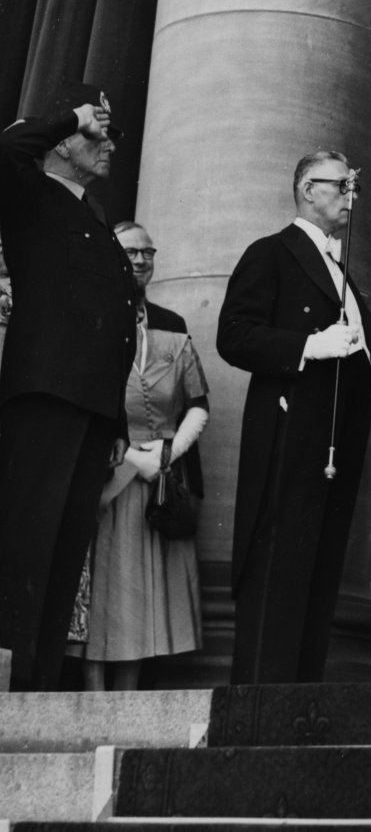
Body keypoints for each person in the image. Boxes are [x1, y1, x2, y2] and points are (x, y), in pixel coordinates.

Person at [217, 150, 371, 684]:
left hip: (331, 445)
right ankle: (262, 708)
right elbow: (233, 336)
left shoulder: (340, 269)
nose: (352, 196)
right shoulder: (272, 253)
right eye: (341, 185)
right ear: (309, 189)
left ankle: (298, 706)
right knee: (279, 570)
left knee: (316, 573)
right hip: (291, 439)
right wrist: (309, 345)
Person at [0, 84, 139, 690]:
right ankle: (9, 678)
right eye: (96, 132)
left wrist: (117, 421)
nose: (108, 143)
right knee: (27, 544)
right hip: (46, 398)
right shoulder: (29, 194)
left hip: (91, 408)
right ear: (61, 142)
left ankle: (37, 687)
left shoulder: (94, 216)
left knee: (62, 558)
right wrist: (67, 116)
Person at [81, 221, 209, 689]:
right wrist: (128, 457)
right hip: (106, 475)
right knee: (101, 588)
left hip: (157, 479)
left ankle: (129, 692)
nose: (140, 261)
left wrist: (165, 454)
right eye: (131, 252)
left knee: (141, 591)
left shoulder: (171, 325)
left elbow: (197, 403)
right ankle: (94, 694)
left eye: (148, 253)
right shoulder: (88, 315)